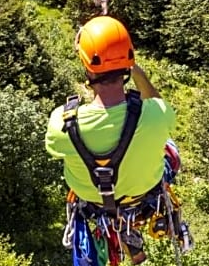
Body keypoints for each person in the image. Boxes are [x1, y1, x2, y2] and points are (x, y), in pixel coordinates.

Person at [45, 15, 176, 208]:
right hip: (142, 195)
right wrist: (135, 70)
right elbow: (155, 101)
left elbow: (54, 151)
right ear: (127, 65)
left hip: (92, 201)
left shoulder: (61, 123)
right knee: (170, 149)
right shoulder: (157, 114)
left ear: (87, 69)